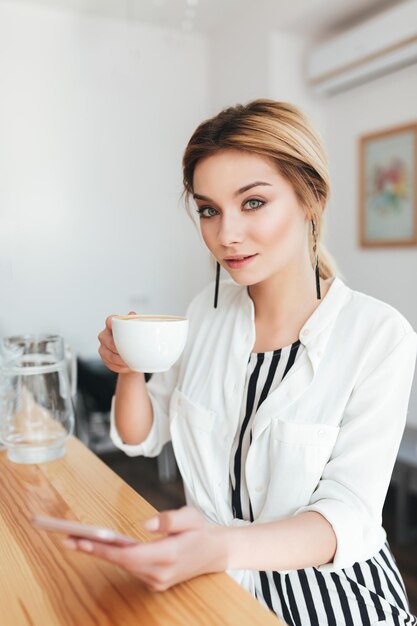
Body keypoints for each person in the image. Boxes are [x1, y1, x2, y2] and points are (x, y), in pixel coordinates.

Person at [65, 100, 417, 625]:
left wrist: (221, 546)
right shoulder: (204, 315)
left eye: (252, 203)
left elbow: (345, 517)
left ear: (310, 199)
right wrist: (130, 368)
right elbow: (142, 435)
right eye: (209, 210)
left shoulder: (378, 335)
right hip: (217, 593)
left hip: (335, 601)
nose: (225, 234)